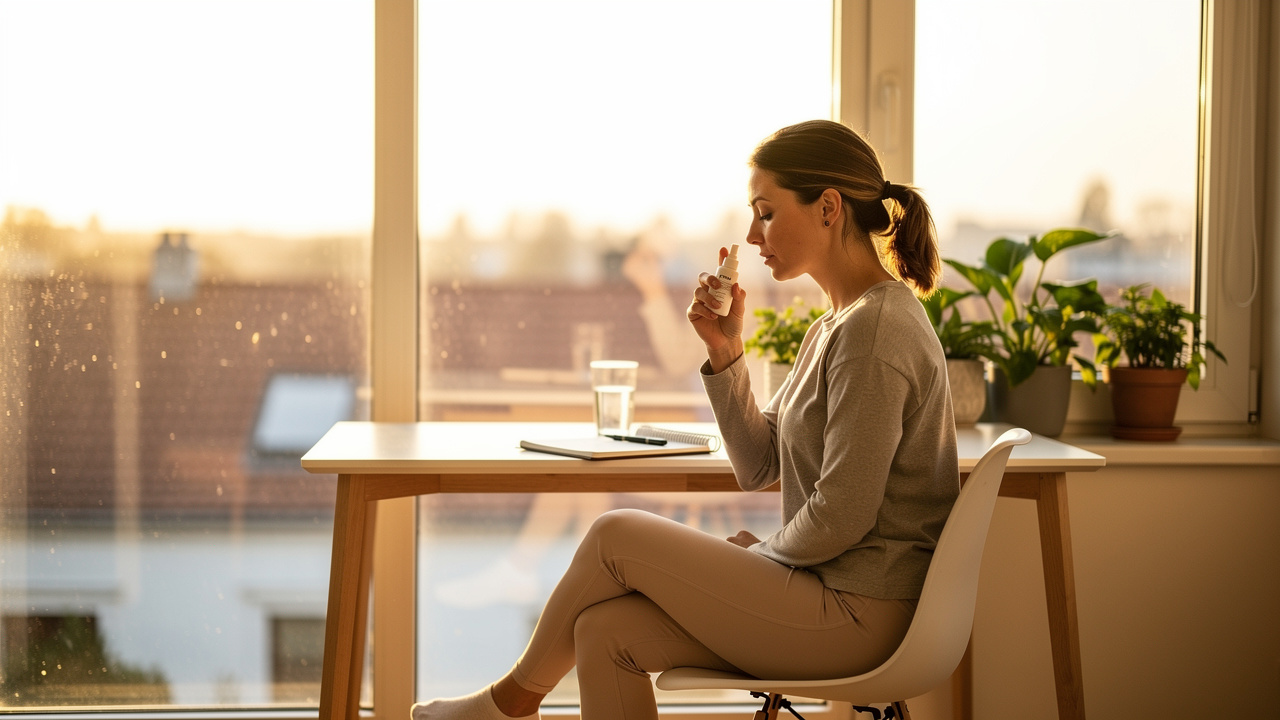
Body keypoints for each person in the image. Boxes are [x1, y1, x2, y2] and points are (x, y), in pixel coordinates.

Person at [410, 119, 960, 720]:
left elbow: (843, 514)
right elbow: (760, 466)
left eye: (767, 212)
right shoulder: (836, 323)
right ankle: (508, 707)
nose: (752, 235)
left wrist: (766, 558)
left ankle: (508, 705)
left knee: (614, 534)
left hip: (862, 612)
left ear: (828, 208)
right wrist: (725, 352)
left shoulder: (874, 330)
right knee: (603, 631)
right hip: (832, 593)